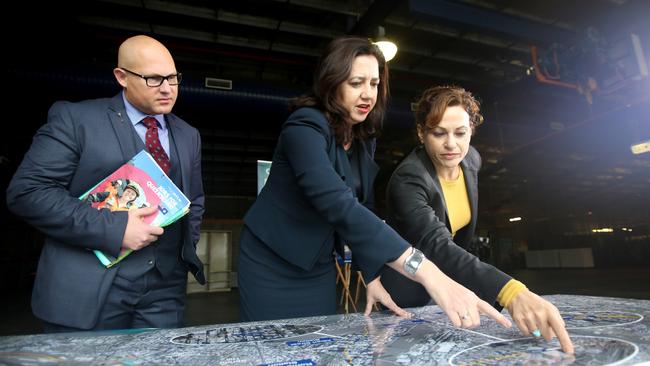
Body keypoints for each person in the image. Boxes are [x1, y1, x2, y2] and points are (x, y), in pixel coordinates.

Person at [238, 36, 511, 331]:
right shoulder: (304, 127)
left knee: (317, 344)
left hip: (316, 265)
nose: (368, 94)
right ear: (332, 82)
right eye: (356, 83)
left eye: (374, 83)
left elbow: (363, 206)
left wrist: (371, 274)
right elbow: (338, 204)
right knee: (271, 347)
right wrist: (429, 273)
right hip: (270, 261)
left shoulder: (362, 139)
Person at [6, 35, 205, 332]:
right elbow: (28, 192)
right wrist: (115, 228)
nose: (167, 88)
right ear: (121, 77)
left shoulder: (189, 134)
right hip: (88, 287)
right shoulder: (76, 119)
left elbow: (195, 199)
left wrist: (181, 250)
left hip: (165, 289)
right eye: (153, 79)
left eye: (173, 77)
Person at [380, 85, 574, 353]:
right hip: (408, 295)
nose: (451, 144)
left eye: (460, 133)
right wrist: (511, 293)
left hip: (456, 285)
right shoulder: (408, 179)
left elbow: (457, 246)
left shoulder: (471, 160)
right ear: (421, 133)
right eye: (439, 133)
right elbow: (438, 246)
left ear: (471, 130)